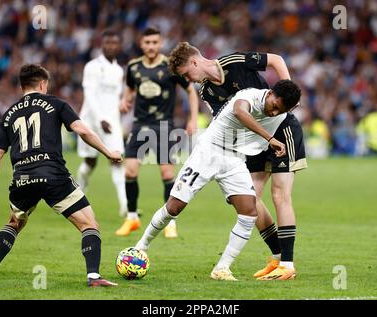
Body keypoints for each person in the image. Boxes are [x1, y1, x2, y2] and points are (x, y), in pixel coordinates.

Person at [135, 80, 301, 281]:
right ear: (271, 93)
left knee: (249, 212)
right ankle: (141, 247)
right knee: (174, 207)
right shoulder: (250, 95)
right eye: (275, 106)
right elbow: (240, 112)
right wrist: (270, 138)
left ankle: (222, 268)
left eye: (280, 111)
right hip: (208, 152)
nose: (274, 113)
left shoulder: (280, 109)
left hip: (234, 159)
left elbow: (287, 105)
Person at [169, 42, 307, 280]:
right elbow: (228, 117)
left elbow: (275, 60)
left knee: (279, 195)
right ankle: (277, 256)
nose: (189, 81)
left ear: (194, 62)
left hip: (281, 129)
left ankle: (288, 264)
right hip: (253, 140)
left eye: (187, 75)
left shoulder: (233, 62)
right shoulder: (207, 92)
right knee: (251, 199)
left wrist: (288, 94)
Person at [0, 64, 122, 287]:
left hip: (22, 179)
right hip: (54, 176)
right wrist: (108, 152)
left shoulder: (8, 114)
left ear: (22, 85)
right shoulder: (56, 104)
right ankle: (93, 277)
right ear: (43, 84)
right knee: (89, 224)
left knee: (14, 223)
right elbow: (83, 130)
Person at [116, 27, 199, 238]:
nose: (151, 46)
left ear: (160, 44)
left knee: (167, 174)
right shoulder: (134, 67)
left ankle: (170, 222)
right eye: (147, 42)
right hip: (140, 124)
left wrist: (193, 118)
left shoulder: (169, 67)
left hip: (163, 125)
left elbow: (190, 90)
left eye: (155, 42)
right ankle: (132, 218)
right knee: (130, 172)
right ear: (141, 44)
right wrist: (125, 100)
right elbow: (131, 89)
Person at [76, 29, 127, 218]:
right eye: (107, 43)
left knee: (117, 159)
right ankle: (79, 191)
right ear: (102, 44)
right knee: (90, 162)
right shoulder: (92, 67)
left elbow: (114, 98)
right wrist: (100, 119)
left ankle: (124, 205)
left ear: (119, 45)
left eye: (114, 43)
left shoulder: (119, 70)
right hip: (91, 121)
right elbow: (89, 95)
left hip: (111, 122)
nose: (111, 46)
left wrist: (115, 113)